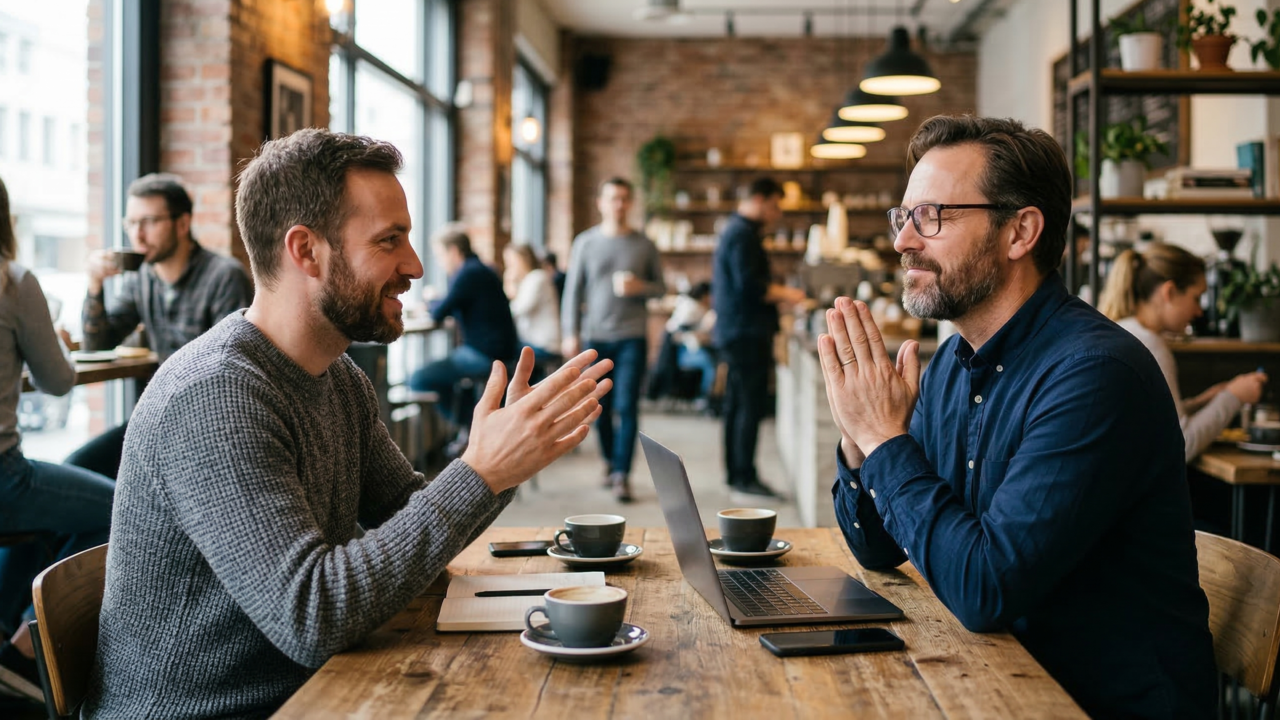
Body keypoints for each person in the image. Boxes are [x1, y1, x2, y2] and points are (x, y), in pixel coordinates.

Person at [83, 129, 612, 719]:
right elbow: (311, 614)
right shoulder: (214, 396)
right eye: (390, 240)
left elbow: (406, 508)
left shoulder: (336, 376)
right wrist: (479, 472)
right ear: (306, 251)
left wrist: (505, 459)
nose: (413, 265)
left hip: (310, 689)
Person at [821, 115, 1215, 718]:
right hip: (997, 682)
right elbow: (878, 547)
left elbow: (985, 590)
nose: (902, 241)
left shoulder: (1095, 375)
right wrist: (860, 439)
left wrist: (884, 436)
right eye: (903, 217)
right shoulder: (955, 360)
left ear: (1020, 231)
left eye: (931, 216)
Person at [0, 175, 115, 703]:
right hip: (6, 479)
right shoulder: (13, 281)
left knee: (68, 484)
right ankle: (26, 645)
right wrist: (53, 344)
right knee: (119, 509)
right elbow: (59, 380)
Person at [65, 173, 253, 479]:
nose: (137, 235)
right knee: (77, 468)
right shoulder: (142, 279)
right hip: (158, 420)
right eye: (131, 223)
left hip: (208, 427)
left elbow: (230, 372)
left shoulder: (223, 276)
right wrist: (95, 284)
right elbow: (97, 344)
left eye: (149, 222)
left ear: (182, 224)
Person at [1099, 242, 1267, 461]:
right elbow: (1182, 445)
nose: (1199, 311)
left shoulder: (1124, 330)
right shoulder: (1150, 346)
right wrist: (1234, 396)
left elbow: (1148, 420)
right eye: (1196, 298)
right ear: (1169, 292)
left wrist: (1199, 403)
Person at [562, 177, 665, 503]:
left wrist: (641, 288)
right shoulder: (586, 243)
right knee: (600, 406)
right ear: (601, 203)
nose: (618, 204)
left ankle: (622, 474)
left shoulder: (644, 244)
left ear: (630, 203)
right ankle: (609, 462)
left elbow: (661, 288)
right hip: (596, 337)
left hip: (632, 336)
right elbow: (572, 291)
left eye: (624, 198)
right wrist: (569, 332)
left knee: (628, 405)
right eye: (613, 198)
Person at [712, 177, 806, 501]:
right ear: (761, 199)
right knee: (747, 406)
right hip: (745, 332)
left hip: (737, 330)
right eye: (776, 205)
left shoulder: (738, 231)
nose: (777, 213)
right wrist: (790, 294)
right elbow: (751, 286)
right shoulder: (742, 235)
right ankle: (744, 475)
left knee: (737, 405)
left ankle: (736, 472)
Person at [408, 224, 519, 446]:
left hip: (484, 354)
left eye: (440, 255)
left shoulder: (468, 273)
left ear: (453, 251)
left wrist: (429, 303)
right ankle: (474, 425)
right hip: (501, 350)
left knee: (418, 378)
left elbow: (440, 312)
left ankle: (471, 425)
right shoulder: (481, 269)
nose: (440, 262)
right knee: (450, 378)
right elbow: (453, 302)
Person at [503, 243, 560, 361]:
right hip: (532, 341)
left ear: (523, 259)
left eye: (512, 261)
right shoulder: (527, 280)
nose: (509, 267)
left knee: (505, 352)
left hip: (545, 343)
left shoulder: (537, 278)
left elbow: (518, 310)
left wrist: (509, 286)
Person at [668, 281, 718, 402]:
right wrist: (697, 336)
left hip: (689, 349)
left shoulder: (693, 306)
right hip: (684, 352)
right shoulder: (692, 308)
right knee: (711, 364)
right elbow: (677, 335)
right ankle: (704, 397)